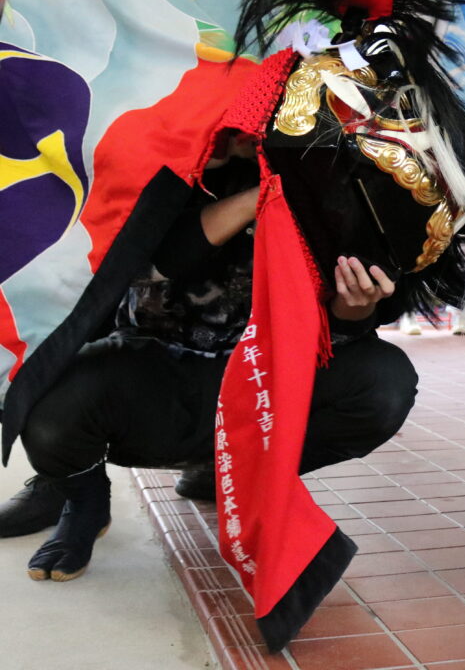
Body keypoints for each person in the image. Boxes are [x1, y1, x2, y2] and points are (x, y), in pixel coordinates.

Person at [0, 142, 415, 582]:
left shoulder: (327, 169)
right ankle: (79, 497)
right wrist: (260, 197)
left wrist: (356, 302)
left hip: (264, 376)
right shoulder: (161, 144)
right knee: (46, 387)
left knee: (382, 383)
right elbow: (147, 263)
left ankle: (225, 473)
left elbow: (339, 331)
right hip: (152, 371)